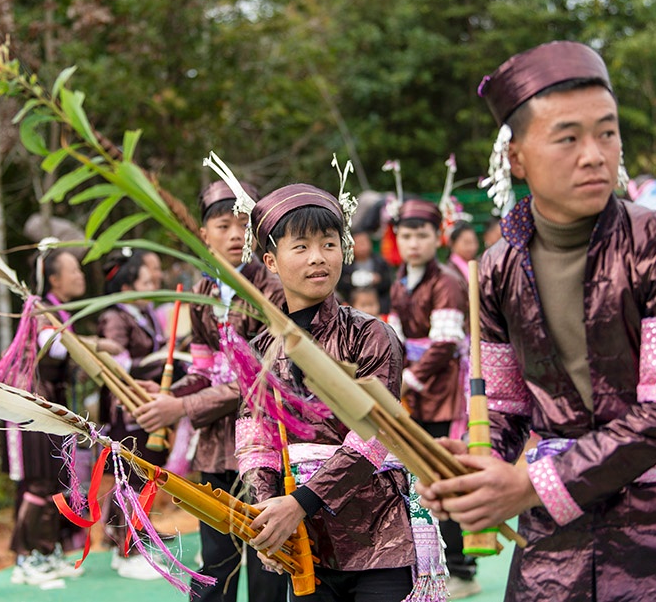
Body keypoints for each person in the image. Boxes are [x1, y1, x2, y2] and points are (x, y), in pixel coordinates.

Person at [418, 40, 656, 601]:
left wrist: (525, 485)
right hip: (554, 548)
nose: (595, 154)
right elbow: (504, 406)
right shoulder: (495, 270)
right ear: (516, 158)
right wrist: (479, 469)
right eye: (568, 137)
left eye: (607, 132)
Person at [236, 183, 426, 602]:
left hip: (380, 535)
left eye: (328, 243)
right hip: (307, 545)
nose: (318, 257)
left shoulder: (371, 335)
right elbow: (256, 444)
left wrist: (300, 502)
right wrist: (269, 516)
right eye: (300, 246)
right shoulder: (259, 352)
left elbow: (376, 433)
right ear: (270, 260)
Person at [133, 180, 289, 602]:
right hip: (217, 448)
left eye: (243, 225)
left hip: (265, 444)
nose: (236, 235)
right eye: (224, 225)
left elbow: (259, 382)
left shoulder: (271, 291)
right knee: (216, 563)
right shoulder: (204, 291)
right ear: (204, 235)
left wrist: (179, 407)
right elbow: (203, 369)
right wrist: (163, 397)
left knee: (267, 565)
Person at [386, 198, 474, 598]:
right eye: (406, 235)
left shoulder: (447, 282)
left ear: (436, 237)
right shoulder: (400, 280)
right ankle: (426, 567)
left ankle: (461, 569)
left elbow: (444, 344)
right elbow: (396, 336)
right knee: (418, 479)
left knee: (443, 475)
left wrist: (407, 379)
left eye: (421, 235)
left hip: (441, 392)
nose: (414, 242)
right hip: (413, 390)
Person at [7, 246, 100, 585]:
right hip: (32, 406)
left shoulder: (56, 311)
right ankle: (28, 555)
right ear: (54, 278)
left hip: (51, 406)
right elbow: (56, 346)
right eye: (73, 270)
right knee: (39, 480)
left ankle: (48, 549)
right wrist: (100, 345)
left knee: (56, 477)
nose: (81, 276)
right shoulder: (41, 312)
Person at [96, 247, 172, 580]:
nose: (154, 282)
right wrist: (158, 364)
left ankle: (135, 534)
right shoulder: (115, 317)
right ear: (128, 286)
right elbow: (115, 362)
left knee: (145, 471)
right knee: (129, 474)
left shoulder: (147, 314)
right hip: (126, 406)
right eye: (146, 279)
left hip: (147, 402)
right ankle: (126, 548)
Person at [337, 228, 393, 312]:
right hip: (353, 305)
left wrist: (378, 280)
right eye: (359, 243)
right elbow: (341, 285)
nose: (362, 247)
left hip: (377, 304)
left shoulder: (380, 262)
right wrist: (352, 280)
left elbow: (388, 282)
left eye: (364, 242)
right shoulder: (346, 264)